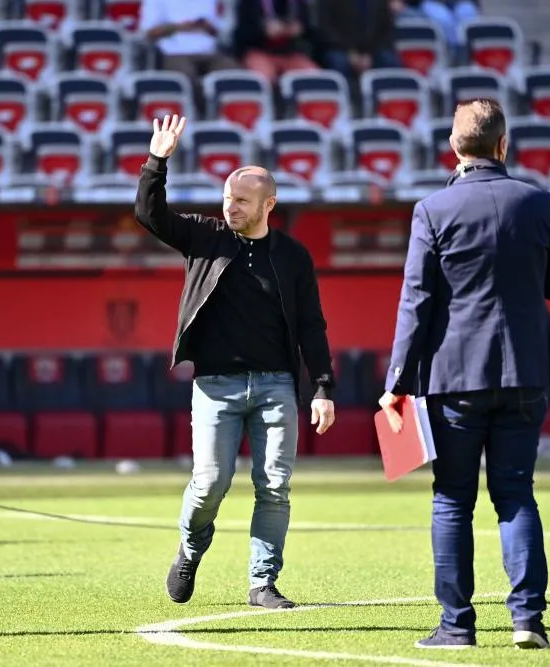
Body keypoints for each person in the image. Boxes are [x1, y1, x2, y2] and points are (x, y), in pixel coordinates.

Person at [379, 98, 550, 650]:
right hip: (526, 374)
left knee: (452, 499)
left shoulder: (432, 210)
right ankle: (528, 620)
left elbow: (416, 302)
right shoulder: (539, 202)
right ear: (503, 146)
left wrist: (396, 381)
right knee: (516, 495)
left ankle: (456, 627)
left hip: (454, 377)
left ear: (455, 149)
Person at [135, 115, 337, 610]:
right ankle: (189, 548)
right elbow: (150, 214)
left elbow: (312, 324)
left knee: (274, 486)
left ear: (269, 205)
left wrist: (324, 388)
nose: (231, 207)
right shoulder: (205, 236)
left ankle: (263, 583)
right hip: (215, 386)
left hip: (276, 387)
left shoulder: (292, 256)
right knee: (209, 484)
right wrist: (157, 160)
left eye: (242, 200)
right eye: (228, 197)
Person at [232, 0, 321, 83]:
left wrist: (300, 29)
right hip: (259, 52)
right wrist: (262, 30)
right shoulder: (250, 2)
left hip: (291, 53)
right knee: (261, 78)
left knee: (313, 78)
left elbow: (309, 30)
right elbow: (241, 33)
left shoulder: (298, 2)